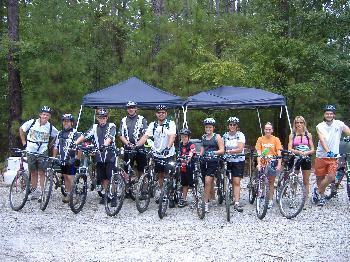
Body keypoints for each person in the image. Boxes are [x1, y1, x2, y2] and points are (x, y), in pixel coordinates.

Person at [73, 108, 117, 204]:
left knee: (110, 176)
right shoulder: (94, 127)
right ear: (97, 118)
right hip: (99, 156)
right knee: (103, 178)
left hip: (110, 155)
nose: (102, 119)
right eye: (100, 117)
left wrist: (105, 145)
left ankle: (114, 196)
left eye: (104, 117)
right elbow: (85, 135)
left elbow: (110, 137)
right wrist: (75, 143)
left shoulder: (111, 126)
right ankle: (107, 195)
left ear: (107, 118)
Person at [136, 105, 177, 207]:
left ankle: (170, 196)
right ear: (156, 114)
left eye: (163, 112)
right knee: (160, 175)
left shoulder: (170, 124)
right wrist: (136, 145)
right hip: (157, 154)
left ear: (166, 114)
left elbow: (172, 136)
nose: (161, 114)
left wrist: (168, 147)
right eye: (159, 112)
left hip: (168, 154)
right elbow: (145, 136)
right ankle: (163, 194)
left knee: (169, 175)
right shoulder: (153, 125)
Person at [313, 105, 350, 206]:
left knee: (331, 177)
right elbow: (322, 139)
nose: (329, 115)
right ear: (324, 115)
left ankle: (317, 190)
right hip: (321, 155)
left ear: (334, 114)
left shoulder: (339, 124)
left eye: (331, 113)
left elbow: (348, 131)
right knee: (320, 177)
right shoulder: (320, 126)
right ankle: (321, 197)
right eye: (327, 113)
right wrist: (328, 151)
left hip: (333, 157)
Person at [19, 106, 58, 200]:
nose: (45, 116)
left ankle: (42, 192)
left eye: (47, 115)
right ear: (40, 115)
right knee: (33, 171)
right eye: (43, 114)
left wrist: (50, 145)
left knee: (42, 171)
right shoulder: (32, 122)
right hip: (31, 150)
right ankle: (34, 191)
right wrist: (24, 143)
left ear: (49, 116)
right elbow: (21, 129)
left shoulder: (50, 127)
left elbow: (57, 135)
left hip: (42, 151)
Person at [53, 114, 82, 203]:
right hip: (62, 159)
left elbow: (80, 148)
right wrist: (54, 158)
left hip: (72, 159)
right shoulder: (59, 134)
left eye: (68, 121)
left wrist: (78, 159)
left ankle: (75, 195)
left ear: (72, 123)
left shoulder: (76, 134)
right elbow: (56, 147)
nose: (66, 123)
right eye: (64, 121)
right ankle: (69, 194)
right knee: (65, 176)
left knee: (70, 177)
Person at [199, 118, 225, 213]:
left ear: (213, 128)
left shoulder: (217, 137)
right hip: (204, 161)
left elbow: (222, 150)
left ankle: (205, 203)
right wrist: (199, 156)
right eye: (206, 127)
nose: (208, 129)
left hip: (213, 161)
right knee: (206, 182)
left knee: (208, 180)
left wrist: (213, 152)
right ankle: (212, 197)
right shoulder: (203, 137)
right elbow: (202, 148)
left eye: (210, 127)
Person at [255, 122, 282, 209]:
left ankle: (270, 200)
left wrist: (279, 164)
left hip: (272, 162)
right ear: (264, 130)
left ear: (272, 130)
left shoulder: (276, 139)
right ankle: (261, 194)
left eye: (269, 129)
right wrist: (258, 163)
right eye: (266, 129)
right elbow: (258, 152)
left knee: (271, 182)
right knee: (262, 179)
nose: (268, 131)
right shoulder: (260, 139)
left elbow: (279, 152)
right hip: (263, 161)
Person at [287, 116, 315, 200]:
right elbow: (289, 148)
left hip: (306, 158)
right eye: (297, 122)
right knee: (294, 178)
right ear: (294, 124)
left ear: (304, 123)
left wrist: (307, 152)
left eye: (301, 122)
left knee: (306, 180)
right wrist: (298, 152)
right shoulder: (292, 135)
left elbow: (313, 149)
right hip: (295, 158)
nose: (299, 124)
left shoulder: (308, 135)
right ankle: (292, 197)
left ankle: (305, 200)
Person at [118, 101, 147, 179]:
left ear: (136, 108)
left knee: (141, 169)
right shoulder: (123, 120)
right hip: (128, 148)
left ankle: (142, 188)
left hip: (140, 148)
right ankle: (127, 189)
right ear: (127, 109)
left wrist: (138, 144)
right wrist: (127, 143)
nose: (131, 109)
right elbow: (120, 134)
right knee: (126, 170)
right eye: (129, 107)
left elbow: (145, 134)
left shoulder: (142, 119)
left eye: (133, 107)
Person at [222, 117, 245, 212]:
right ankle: (229, 197)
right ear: (228, 126)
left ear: (237, 126)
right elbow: (221, 147)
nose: (232, 126)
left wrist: (229, 151)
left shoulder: (240, 135)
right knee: (228, 180)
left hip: (238, 161)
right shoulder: (225, 135)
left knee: (236, 181)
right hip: (227, 160)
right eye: (230, 124)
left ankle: (236, 202)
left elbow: (240, 148)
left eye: (234, 125)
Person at [177, 128, 196, 208]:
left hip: (190, 166)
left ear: (188, 137)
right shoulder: (180, 144)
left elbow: (191, 152)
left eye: (185, 136)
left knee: (192, 184)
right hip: (182, 167)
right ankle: (184, 199)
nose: (183, 138)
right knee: (184, 184)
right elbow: (178, 153)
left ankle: (196, 200)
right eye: (182, 136)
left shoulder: (191, 144)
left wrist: (188, 159)